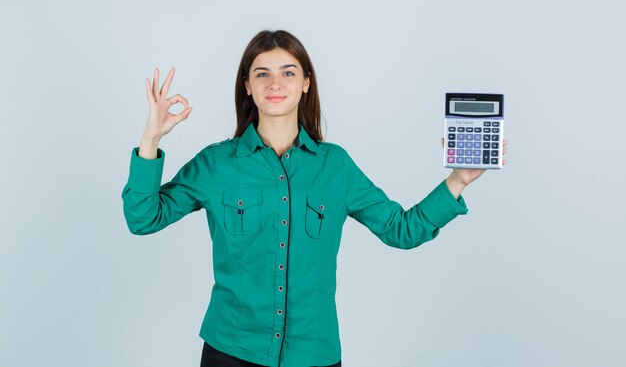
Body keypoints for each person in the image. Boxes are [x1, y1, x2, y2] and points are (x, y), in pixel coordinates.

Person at [121, 30, 508, 367]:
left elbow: (401, 230)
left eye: (288, 72)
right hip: (231, 351)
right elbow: (143, 218)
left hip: (313, 354)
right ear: (247, 86)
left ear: (306, 82)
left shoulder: (335, 167)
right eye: (262, 74)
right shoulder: (217, 164)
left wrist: (459, 179)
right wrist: (151, 139)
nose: (275, 83)